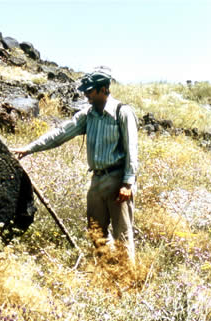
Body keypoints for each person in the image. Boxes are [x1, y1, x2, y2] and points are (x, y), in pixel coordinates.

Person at [11, 70, 138, 265]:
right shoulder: (88, 115)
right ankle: (107, 273)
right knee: (96, 232)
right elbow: (61, 133)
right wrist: (29, 149)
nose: (86, 95)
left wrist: (128, 184)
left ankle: (129, 277)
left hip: (118, 180)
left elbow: (132, 148)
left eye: (90, 91)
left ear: (103, 89)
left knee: (123, 235)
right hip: (97, 180)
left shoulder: (122, 112)